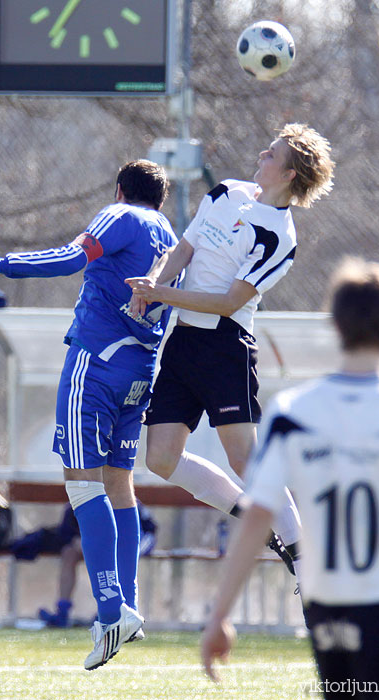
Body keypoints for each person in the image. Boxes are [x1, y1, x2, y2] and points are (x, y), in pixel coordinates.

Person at [201, 257, 379, 698]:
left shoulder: (292, 413)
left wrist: (219, 616)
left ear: (336, 325)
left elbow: (254, 520)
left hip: (328, 606)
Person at [0, 159, 179, 670]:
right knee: (119, 484)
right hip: (140, 371)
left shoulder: (120, 214)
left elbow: (71, 256)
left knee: (82, 484)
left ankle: (108, 611)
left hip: (96, 364)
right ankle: (129, 603)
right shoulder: (170, 234)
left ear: (121, 189)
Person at [126, 123, 335, 573]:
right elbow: (183, 249)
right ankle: (256, 520)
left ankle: (301, 554)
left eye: (272, 155)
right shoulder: (224, 193)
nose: (262, 154)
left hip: (226, 348)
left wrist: (162, 295)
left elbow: (228, 303)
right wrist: (153, 285)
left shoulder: (280, 238)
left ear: (290, 176)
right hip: (184, 341)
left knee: (245, 459)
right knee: (160, 458)